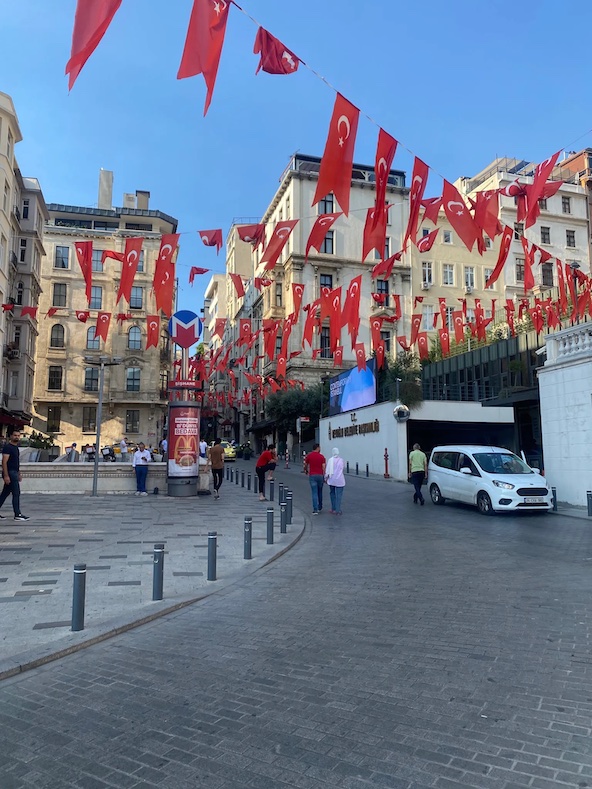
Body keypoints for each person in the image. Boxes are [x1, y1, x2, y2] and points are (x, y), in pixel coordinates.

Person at [0, 430, 29, 520]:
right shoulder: (8, 448)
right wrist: (6, 475)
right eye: (15, 435)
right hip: (10, 473)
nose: (16, 437)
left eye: (18, 435)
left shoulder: (15, 448)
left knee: (5, 493)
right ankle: (17, 514)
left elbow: (16, 462)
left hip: (14, 472)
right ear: (11, 436)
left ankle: (17, 513)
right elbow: (4, 462)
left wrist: (19, 473)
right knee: (16, 493)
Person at [304, 443, 326, 514]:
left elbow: (305, 464)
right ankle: (320, 506)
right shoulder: (322, 456)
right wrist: (324, 476)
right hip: (320, 475)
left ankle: (315, 509)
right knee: (320, 491)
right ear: (318, 448)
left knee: (314, 492)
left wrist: (306, 470)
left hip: (312, 475)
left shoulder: (309, 456)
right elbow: (323, 467)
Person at [325, 447, 345, 515]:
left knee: (332, 494)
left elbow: (327, 470)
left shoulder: (330, 460)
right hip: (340, 480)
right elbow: (341, 469)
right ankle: (338, 509)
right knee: (339, 495)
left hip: (332, 479)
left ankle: (333, 508)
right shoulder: (341, 460)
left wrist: (325, 478)